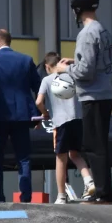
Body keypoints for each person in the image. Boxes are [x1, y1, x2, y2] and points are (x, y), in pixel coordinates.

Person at [56, 0, 112, 203]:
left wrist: (65, 69)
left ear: (76, 9)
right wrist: (76, 61)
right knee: (100, 143)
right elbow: (97, 62)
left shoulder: (86, 34)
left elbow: (85, 72)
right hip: (106, 91)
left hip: (93, 94)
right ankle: (104, 189)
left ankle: (102, 192)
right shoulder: (102, 30)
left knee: (93, 146)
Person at [0, 29, 39, 203]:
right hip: (22, 116)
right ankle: (26, 197)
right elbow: (39, 87)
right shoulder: (26, 60)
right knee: (24, 158)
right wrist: (40, 112)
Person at [36, 52, 93, 204]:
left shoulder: (47, 80)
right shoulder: (73, 76)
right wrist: (73, 61)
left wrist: (45, 113)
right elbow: (85, 65)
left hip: (61, 122)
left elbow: (38, 102)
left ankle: (61, 195)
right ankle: (89, 181)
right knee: (75, 155)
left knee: (60, 158)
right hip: (78, 120)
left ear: (47, 66)